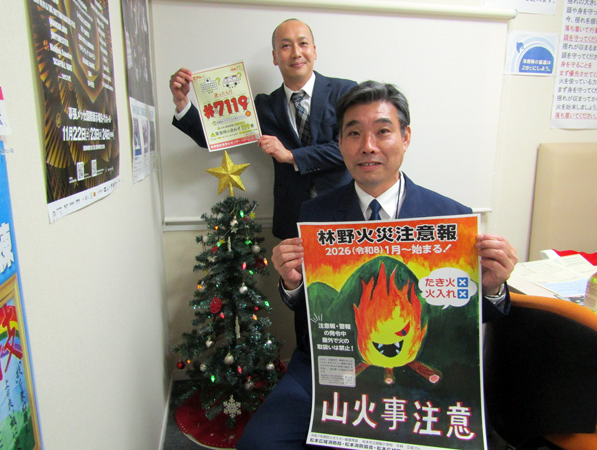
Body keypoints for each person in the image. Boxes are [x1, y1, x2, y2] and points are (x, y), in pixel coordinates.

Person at [236, 81, 518, 450]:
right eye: (354, 133)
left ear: (405, 137)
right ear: (340, 143)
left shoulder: (449, 217)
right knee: (260, 443)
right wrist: (292, 284)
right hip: (329, 369)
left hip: (424, 374)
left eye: (383, 131)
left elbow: (465, 319)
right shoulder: (315, 214)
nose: (367, 146)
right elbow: (313, 311)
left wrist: (493, 287)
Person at [169, 19, 356, 239]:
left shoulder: (345, 92)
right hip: (293, 217)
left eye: (303, 44)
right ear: (275, 57)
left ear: (314, 51)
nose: (296, 53)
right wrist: (182, 102)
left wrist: (290, 156)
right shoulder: (263, 106)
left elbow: (350, 148)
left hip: (343, 213)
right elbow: (210, 136)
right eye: (286, 46)